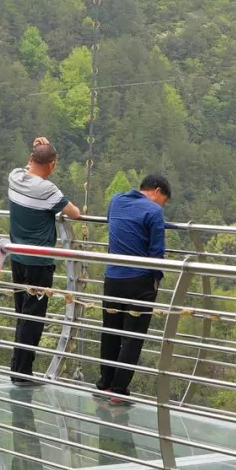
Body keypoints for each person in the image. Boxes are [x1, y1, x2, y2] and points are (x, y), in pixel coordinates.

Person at [7, 138, 82, 385]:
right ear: (52, 164)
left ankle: (18, 369)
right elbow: (75, 213)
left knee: (22, 314)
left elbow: (28, 168)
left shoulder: (14, 177)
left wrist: (39, 149)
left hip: (16, 257)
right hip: (39, 263)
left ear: (30, 160)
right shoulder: (48, 190)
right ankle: (22, 373)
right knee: (33, 318)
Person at [96, 173, 172, 403]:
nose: (162, 205)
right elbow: (156, 251)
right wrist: (156, 279)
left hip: (112, 278)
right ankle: (119, 391)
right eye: (164, 200)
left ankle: (105, 385)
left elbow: (112, 223)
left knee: (111, 332)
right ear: (157, 191)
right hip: (139, 281)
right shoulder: (154, 212)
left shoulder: (117, 200)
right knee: (132, 337)